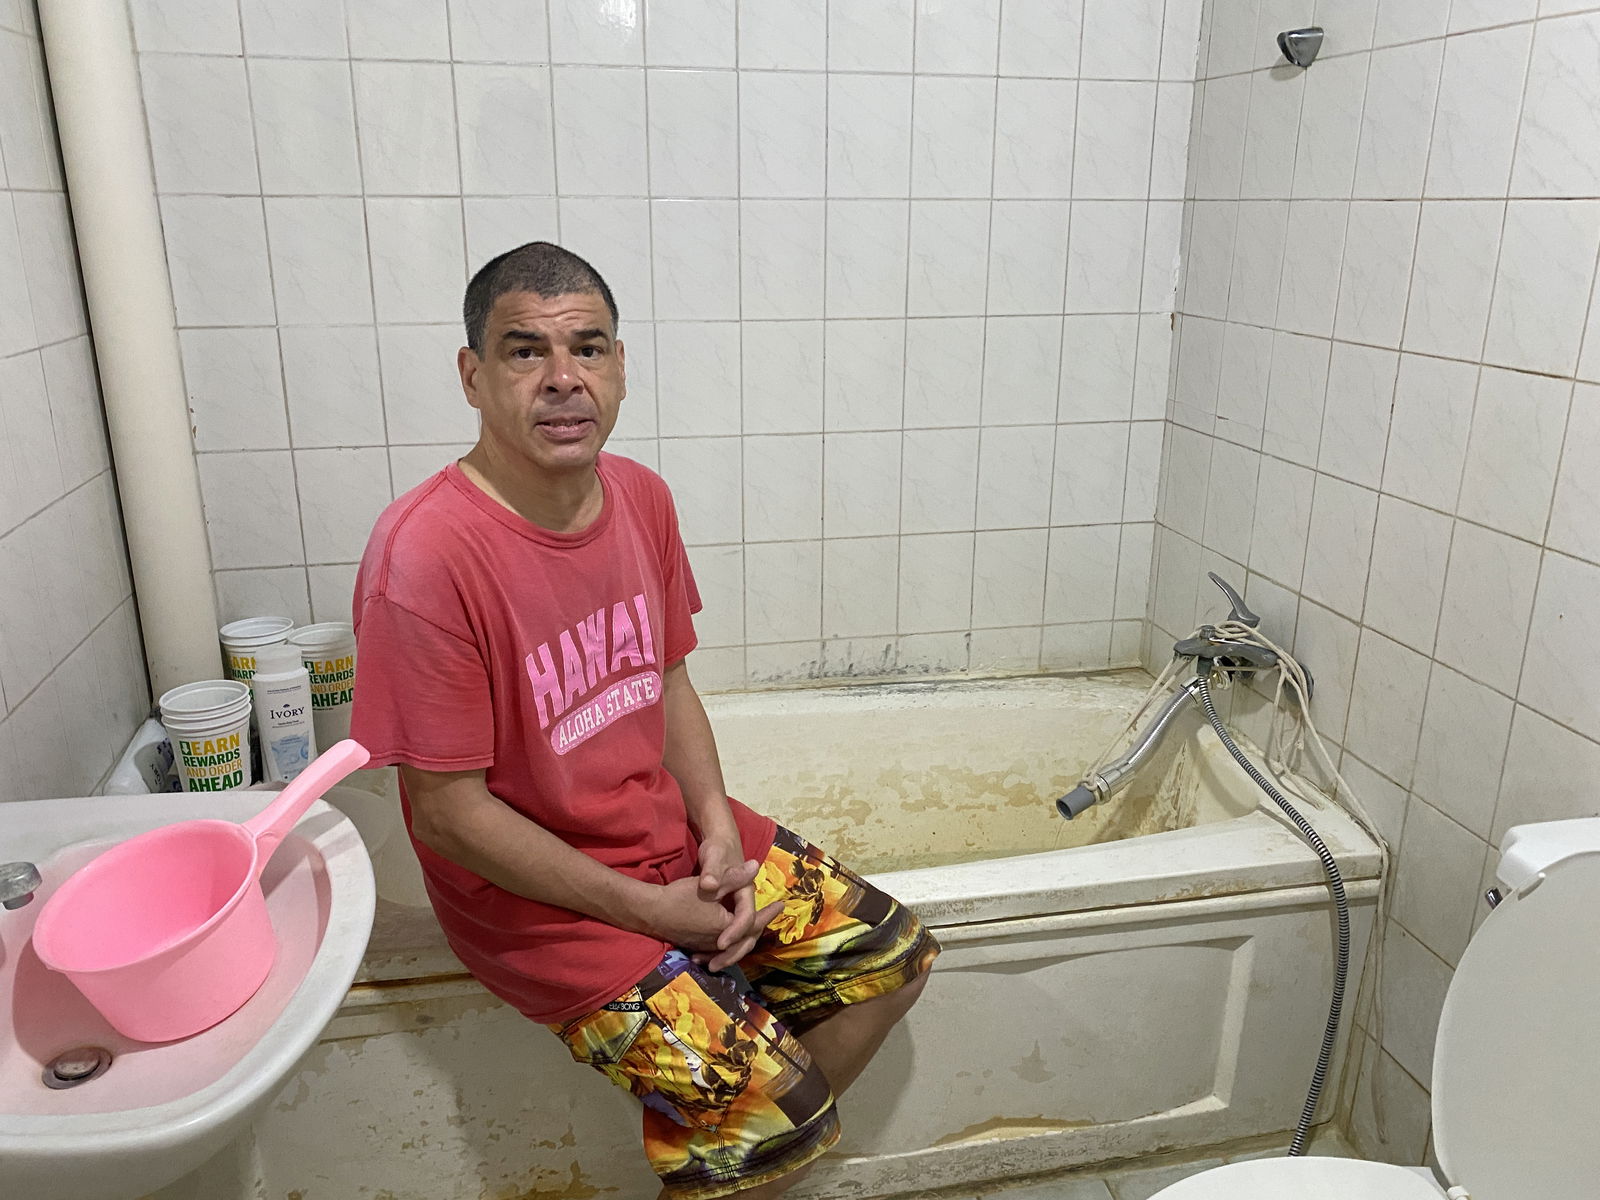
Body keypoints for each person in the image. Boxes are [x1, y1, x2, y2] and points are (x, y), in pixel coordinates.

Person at [349, 242, 938, 1199]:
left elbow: (667, 681)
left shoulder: (641, 497)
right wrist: (656, 915)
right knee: (780, 1105)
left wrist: (716, 833)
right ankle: (749, 1121)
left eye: (588, 348)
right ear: (472, 376)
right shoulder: (425, 556)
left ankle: (736, 1144)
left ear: (620, 367)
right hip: (531, 905)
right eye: (525, 351)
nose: (562, 378)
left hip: (662, 834)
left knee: (892, 959)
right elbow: (450, 815)